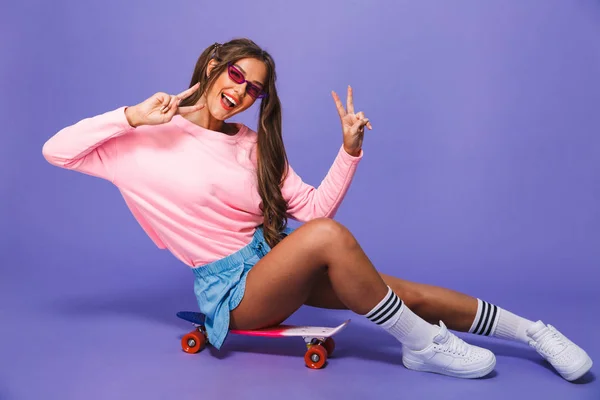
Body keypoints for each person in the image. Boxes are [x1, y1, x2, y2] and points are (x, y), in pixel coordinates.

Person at [42, 38, 592, 381]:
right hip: (233, 295)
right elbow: (56, 150)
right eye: (236, 76)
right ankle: (422, 345)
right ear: (213, 66)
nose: (240, 93)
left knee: (404, 292)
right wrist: (133, 116)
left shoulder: (250, 144)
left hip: (273, 265)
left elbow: (312, 207)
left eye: (253, 90)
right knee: (329, 238)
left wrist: (349, 150)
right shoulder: (140, 139)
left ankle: (533, 333)